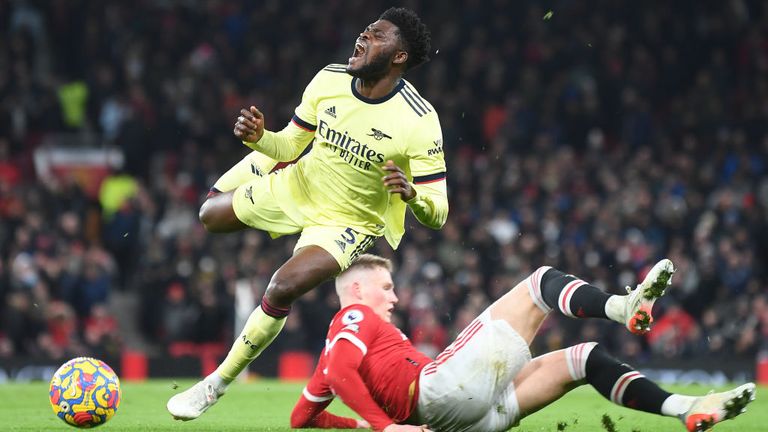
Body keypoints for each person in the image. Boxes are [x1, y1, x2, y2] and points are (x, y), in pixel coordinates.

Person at [167, 7, 448, 420]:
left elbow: (437, 213)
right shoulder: (330, 79)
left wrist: (411, 195)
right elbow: (289, 146)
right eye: (365, 30)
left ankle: (215, 384)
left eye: (376, 35)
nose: (363, 37)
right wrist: (262, 139)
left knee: (282, 287)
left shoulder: (419, 120)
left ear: (399, 56)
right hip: (298, 184)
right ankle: (256, 177)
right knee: (209, 214)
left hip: (348, 223)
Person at [289, 254, 756, 432]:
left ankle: (686, 409)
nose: (392, 296)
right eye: (385, 287)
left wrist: (364, 428)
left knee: (585, 359)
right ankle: (622, 306)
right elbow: (341, 373)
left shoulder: (340, 343)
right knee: (539, 283)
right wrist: (386, 429)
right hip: (440, 392)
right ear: (356, 291)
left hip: (464, 420)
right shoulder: (353, 314)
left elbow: (301, 417)